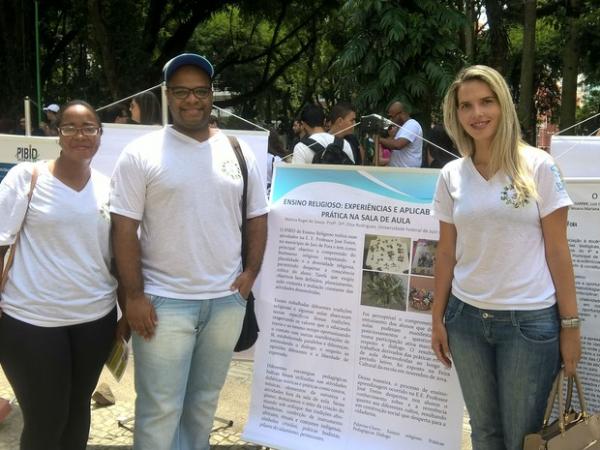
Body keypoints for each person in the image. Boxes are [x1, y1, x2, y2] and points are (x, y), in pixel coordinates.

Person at [110, 53, 268, 450]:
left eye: (200, 90)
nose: (191, 100)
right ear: (166, 95)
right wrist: (133, 297)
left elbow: (256, 218)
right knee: (159, 410)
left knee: (202, 406)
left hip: (224, 303)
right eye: (181, 91)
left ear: (212, 95)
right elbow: (124, 228)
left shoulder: (238, 150)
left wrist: (248, 277)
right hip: (163, 305)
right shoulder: (141, 153)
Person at [431, 65, 581, 450]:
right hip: (464, 321)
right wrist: (437, 319)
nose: (476, 113)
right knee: (484, 433)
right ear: (456, 114)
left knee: (521, 439)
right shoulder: (451, 175)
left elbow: (558, 250)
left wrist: (570, 326)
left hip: (528, 324)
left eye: (486, 101)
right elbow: (446, 252)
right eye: (466, 105)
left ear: (504, 105)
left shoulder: (538, 166)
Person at [0, 100, 127, 450]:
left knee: (76, 413)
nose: (80, 134)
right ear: (57, 135)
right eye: (69, 127)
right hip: (31, 320)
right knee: (46, 419)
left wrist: (126, 310)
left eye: (89, 127)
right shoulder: (27, 177)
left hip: (94, 320)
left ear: (100, 135)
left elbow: (117, 257)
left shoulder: (108, 187)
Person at [379, 101, 422, 167]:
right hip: (399, 172)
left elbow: (397, 145)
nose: (391, 120)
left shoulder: (412, 124)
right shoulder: (402, 127)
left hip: (407, 173)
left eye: (392, 116)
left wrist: (378, 139)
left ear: (400, 114)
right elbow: (391, 144)